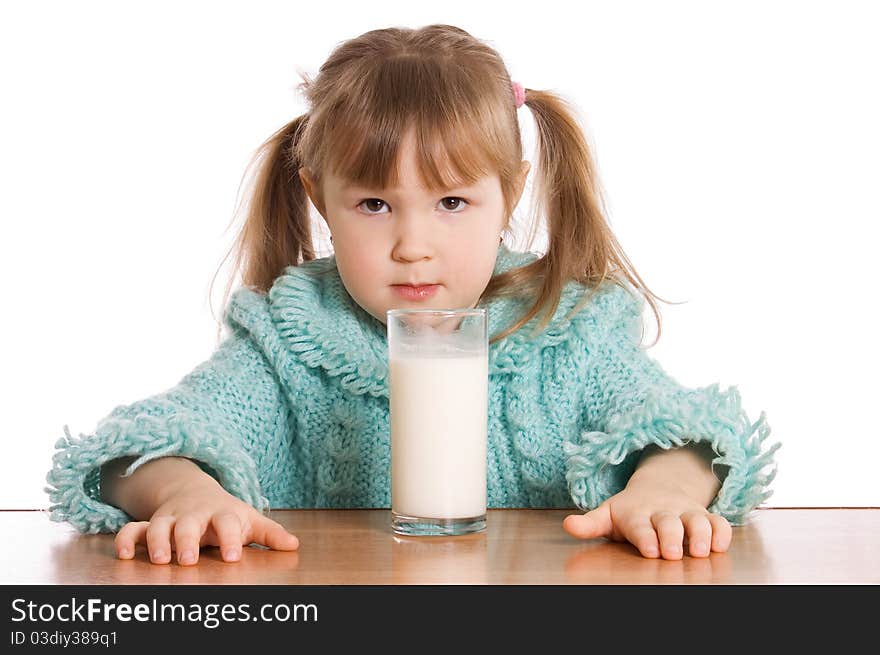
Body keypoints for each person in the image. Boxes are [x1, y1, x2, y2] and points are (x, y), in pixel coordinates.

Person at [45, 24, 779, 566]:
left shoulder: (569, 329)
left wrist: (668, 488)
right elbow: (141, 443)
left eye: (452, 203)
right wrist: (180, 493)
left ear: (510, 193)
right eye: (375, 204)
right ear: (320, 200)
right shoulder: (290, 344)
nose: (413, 244)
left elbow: (685, 430)